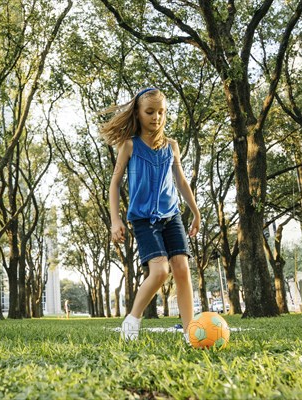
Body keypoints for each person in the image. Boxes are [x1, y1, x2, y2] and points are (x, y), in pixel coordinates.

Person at [100, 87, 200, 343]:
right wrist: (115, 220)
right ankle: (132, 319)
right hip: (143, 219)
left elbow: (180, 181)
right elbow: (114, 184)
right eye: (150, 112)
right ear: (138, 112)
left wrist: (195, 211)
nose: (156, 117)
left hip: (171, 215)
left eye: (161, 112)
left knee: (181, 268)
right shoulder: (129, 146)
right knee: (159, 271)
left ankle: (190, 331)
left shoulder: (172, 147)